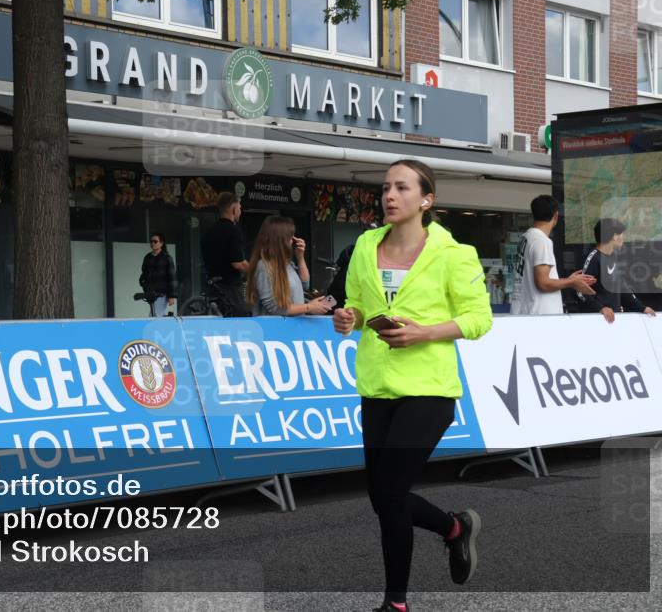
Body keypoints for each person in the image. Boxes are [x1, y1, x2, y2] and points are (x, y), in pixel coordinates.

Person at [331, 159, 493, 612]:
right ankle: (454, 528)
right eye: (386, 187)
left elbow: (479, 319)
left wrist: (425, 332)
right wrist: (349, 317)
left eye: (402, 188)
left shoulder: (454, 253)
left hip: (429, 388)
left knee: (390, 494)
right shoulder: (365, 245)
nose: (389, 195)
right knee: (382, 497)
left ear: (426, 199)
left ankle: (395, 603)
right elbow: (358, 304)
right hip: (377, 384)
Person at [510, 195, 596, 315]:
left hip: (527, 311)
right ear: (556, 216)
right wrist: (571, 282)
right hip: (541, 314)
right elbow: (543, 283)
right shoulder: (541, 241)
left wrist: (569, 280)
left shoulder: (526, 237)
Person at [246, 215, 330, 316]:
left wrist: (300, 258)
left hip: (294, 324)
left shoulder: (287, 264)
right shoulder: (264, 266)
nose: (292, 241)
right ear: (280, 240)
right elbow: (275, 308)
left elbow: (305, 284)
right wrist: (308, 307)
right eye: (290, 237)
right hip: (275, 325)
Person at [578, 218, 657, 323]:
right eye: (622, 234)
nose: (624, 238)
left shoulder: (613, 257)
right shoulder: (593, 258)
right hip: (597, 321)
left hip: (614, 320)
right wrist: (600, 308)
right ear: (615, 236)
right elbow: (580, 290)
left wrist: (642, 308)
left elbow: (622, 289)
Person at [201, 192, 250, 316]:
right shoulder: (233, 231)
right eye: (239, 208)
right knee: (242, 317)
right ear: (234, 209)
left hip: (212, 287)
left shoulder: (209, 232)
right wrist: (255, 270)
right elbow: (238, 263)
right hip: (229, 287)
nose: (240, 212)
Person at [138, 232, 177, 316]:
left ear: (161, 243)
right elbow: (144, 273)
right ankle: (167, 320)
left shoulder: (167, 258)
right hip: (150, 293)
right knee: (156, 314)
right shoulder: (147, 257)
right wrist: (143, 283)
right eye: (151, 241)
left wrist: (172, 296)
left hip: (162, 293)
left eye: (155, 241)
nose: (152, 243)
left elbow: (172, 277)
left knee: (154, 315)